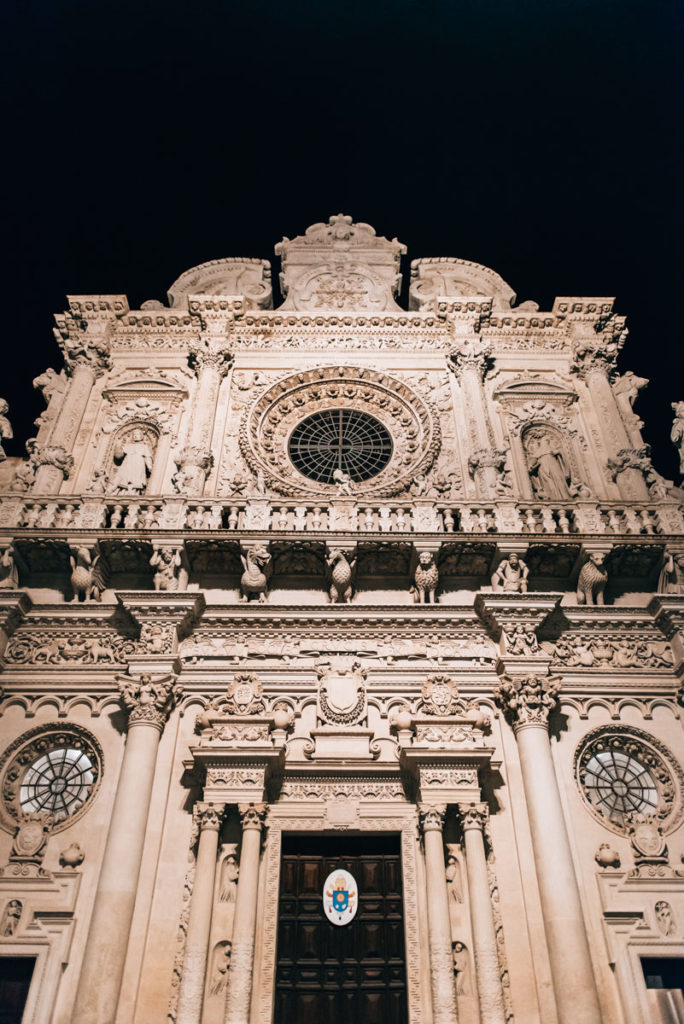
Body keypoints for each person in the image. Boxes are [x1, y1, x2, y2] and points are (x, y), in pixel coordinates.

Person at [110, 428, 153, 493]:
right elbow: (119, 455)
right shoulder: (128, 446)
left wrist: (149, 466)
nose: (135, 436)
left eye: (137, 434)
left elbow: (147, 457)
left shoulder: (144, 447)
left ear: (141, 436)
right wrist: (119, 446)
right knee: (125, 477)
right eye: (134, 434)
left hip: (138, 463)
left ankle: (134, 491)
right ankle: (123, 490)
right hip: (128, 463)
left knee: (136, 478)